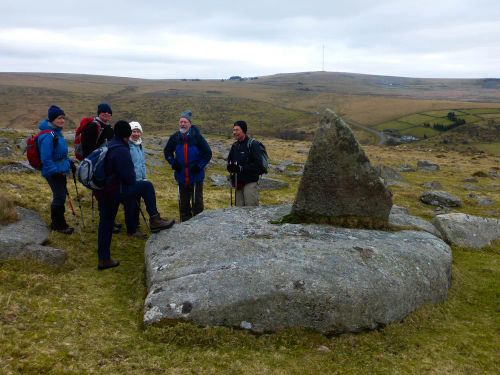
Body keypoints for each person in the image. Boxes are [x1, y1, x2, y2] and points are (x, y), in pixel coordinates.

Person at [95, 120, 175, 270]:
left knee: (105, 223)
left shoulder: (108, 145)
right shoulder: (121, 149)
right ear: (126, 134)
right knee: (147, 186)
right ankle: (154, 219)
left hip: (102, 191)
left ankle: (103, 258)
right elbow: (129, 178)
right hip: (114, 191)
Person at [164, 110, 212, 222]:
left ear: (190, 124)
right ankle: (185, 224)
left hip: (196, 176)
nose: (183, 124)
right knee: (184, 203)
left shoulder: (198, 137)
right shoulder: (175, 137)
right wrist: (173, 162)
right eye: (181, 122)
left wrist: (199, 166)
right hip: (181, 175)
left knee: (197, 203)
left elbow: (208, 153)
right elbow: (167, 152)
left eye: (185, 122)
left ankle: (198, 224)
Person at [81, 103, 121, 233]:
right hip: (97, 168)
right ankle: (107, 223)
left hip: (106, 166)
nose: (106, 114)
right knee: (102, 195)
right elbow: (88, 149)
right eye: (104, 112)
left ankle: (110, 221)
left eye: (109, 112)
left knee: (108, 195)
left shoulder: (107, 127)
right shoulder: (93, 127)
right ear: (99, 113)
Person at [38, 105, 75, 234]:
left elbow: (61, 154)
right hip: (53, 172)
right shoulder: (48, 136)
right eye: (59, 118)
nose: (62, 120)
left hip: (60, 170)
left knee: (61, 196)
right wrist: (55, 172)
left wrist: (70, 163)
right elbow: (46, 158)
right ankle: (58, 225)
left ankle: (60, 223)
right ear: (52, 119)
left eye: (63, 118)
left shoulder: (57, 133)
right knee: (59, 197)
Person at [227, 120, 262, 206]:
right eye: (233, 130)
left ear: (243, 130)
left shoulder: (253, 144)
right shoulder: (235, 146)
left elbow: (258, 164)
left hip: (250, 181)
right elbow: (230, 161)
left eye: (237, 130)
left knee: (250, 208)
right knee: (239, 210)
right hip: (238, 182)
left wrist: (241, 168)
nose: (234, 132)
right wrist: (230, 167)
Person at [127, 121, 147, 237]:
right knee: (131, 204)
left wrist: (144, 178)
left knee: (137, 202)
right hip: (130, 180)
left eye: (138, 131)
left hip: (139, 179)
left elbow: (142, 163)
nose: (135, 134)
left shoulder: (139, 144)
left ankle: (136, 224)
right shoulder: (127, 145)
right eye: (133, 131)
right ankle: (132, 228)